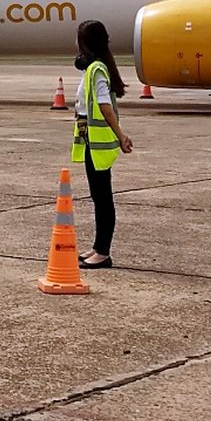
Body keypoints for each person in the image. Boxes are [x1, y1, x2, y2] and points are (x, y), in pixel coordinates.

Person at [71, 19, 133, 269]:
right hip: (91, 142)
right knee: (98, 196)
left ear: (84, 42)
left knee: (103, 197)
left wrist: (120, 135)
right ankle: (98, 247)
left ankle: (103, 252)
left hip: (99, 143)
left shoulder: (96, 69)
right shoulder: (94, 67)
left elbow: (104, 104)